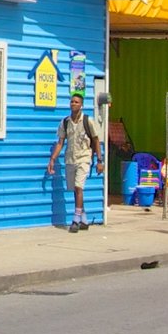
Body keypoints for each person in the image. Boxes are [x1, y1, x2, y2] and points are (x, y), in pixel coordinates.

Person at [46, 92, 102, 232]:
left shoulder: (87, 121)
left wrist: (100, 160)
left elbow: (95, 140)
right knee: (74, 189)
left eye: (76, 102)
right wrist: (52, 159)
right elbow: (60, 142)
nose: (73, 104)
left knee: (78, 187)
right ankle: (84, 218)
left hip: (84, 158)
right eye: (72, 101)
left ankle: (75, 219)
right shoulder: (65, 122)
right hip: (70, 159)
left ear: (81, 105)